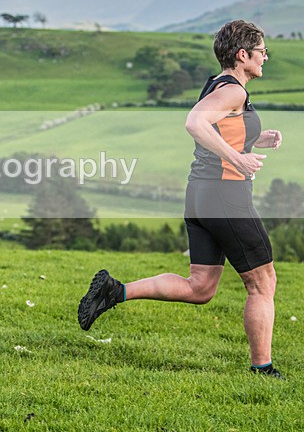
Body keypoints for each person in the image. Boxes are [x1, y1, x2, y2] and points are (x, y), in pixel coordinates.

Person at [78, 20, 285, 378]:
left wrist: (256, 138)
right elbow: (195, 123)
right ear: (242, 55)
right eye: (262, 51)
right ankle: (262, 369)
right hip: (226, 196)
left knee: (201, 286)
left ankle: (114, 291)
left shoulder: (217, 85)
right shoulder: (233, 90)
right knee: (262, 282)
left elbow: (219, 129)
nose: (265, 57)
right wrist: (238, 159)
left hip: (200, 196)